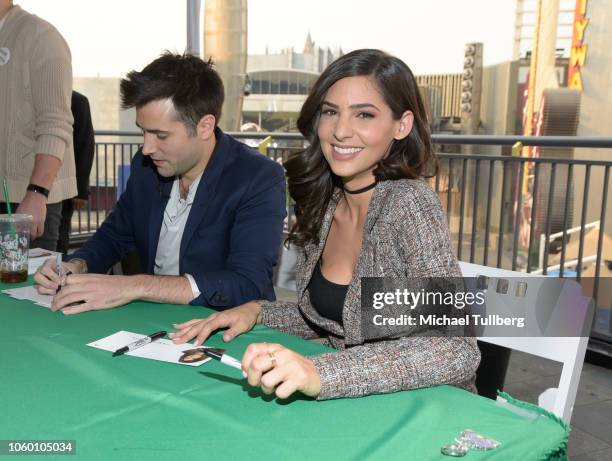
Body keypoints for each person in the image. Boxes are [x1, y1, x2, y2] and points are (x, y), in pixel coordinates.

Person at [171, 49, 481, 401]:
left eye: (364, 114)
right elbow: (339, 317)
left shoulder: (409, 205)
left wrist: (322, 371)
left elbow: (457, 348)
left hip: (428, 408)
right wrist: (257, 312)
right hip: (363, 400)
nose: (340, 131)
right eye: (330, 112)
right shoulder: (328, 201)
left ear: (402, 125)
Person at [34, 52, 286, 314]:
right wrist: (76, 265)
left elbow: (247, 283)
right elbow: (114, 236)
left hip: (226, 332)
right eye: (143, 131)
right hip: (153, 325)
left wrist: (135, 286)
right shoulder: (146, 167)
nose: (146, 148)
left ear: (204, 126)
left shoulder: (258, 178)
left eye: (161, 135)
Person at [0, 0, 77, 250]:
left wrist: (36, 193)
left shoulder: (41, 37)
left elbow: (55, 123)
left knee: (24, 286)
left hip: (24, 201)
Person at [57, 91, 96, 255]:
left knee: (60, 235)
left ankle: (57, 274)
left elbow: (85, 146)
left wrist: (80, 191)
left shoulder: (78, 101)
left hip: (66, 187)